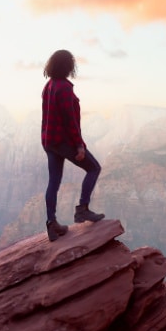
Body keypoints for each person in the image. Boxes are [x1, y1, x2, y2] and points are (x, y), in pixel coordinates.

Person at [41, 49, 104, 241]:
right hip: (63, 141)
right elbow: (70, 121)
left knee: (54, 181)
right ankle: (82, 209)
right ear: (68, 66)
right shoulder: (65, 88)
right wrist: (79, 146)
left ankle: (52, 224)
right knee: (94, 168)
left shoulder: (49, 86)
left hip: (49, 141)